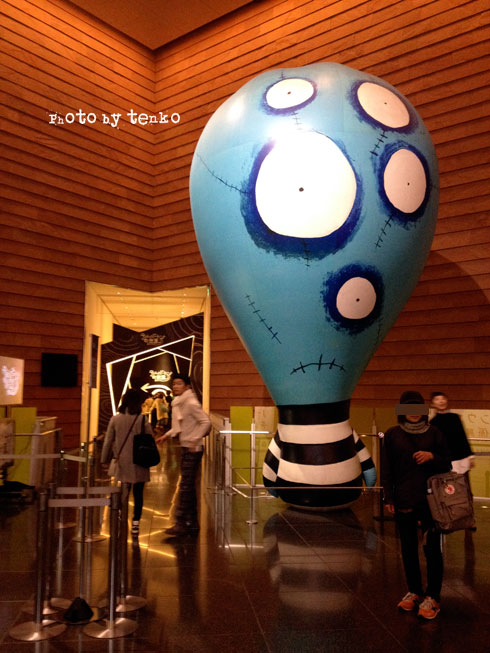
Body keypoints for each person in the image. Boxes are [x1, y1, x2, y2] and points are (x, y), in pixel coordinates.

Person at [382, 390, 450, 620]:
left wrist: (432, 457)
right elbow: (387, 468)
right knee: (408, 548)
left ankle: (433, 596)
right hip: (404, 499)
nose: (413, 413)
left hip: (432, 502)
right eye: (408, 408)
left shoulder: (435, 433)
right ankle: (414, 591)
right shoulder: (392, 435)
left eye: (417, 408)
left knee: (432, 550)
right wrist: (388, 497)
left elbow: (447, 463)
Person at [156, 374, 211, 536]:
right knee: (189, 486)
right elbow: (179, 426)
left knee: (185, 486)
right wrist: (166, 436)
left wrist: (194, 439)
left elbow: (206, 422)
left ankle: (180, 522)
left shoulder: (190, 402)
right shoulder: (179, 402)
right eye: (174, 384)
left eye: (179, 384)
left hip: (193, 449)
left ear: (187, 386)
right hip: (186, 447)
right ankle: (192, 521)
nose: (175, 386)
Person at [101, 389, 154, 537]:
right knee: (138, 494)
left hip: (122, 461)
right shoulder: (142, 419)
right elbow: (150, 437)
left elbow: (108, 441)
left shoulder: (115, 419)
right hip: (140, 461)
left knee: (123, 490)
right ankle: (135, 524)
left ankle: (121, 515)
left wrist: (104, 459)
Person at [430, 391, 475, 474]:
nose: (441, 401)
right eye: (437, 399)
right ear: (432, 404)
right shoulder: (432, 423)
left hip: (462, 457)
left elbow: (463, 437)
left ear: (447, 401)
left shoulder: (455, 417)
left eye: (443, 399)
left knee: (464, 480)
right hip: (446, 460)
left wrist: (470, 456)